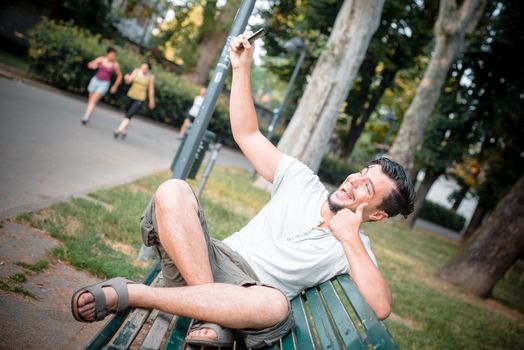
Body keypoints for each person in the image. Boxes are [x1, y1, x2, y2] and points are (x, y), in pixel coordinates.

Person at [71, 32, 416, 348]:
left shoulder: (354, 249)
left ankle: (135, 294)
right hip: (207, 259)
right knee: (174, 189)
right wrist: (242, 67)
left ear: (379, 213)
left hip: (247, 297)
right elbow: (248, 135)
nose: (353, 180)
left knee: (275, 303)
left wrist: (349, 238)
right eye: (360, 172)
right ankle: (209, 314)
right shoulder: (302, 181)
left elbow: (382, 306)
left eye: (366, 186)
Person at [113, 62, 155, 140]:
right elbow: (129, 81)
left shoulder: (150, 77)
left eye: (145, 68)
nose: (143, 69)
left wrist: (151, 100)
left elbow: (151, 90)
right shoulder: (136, 71)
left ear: (148, 70)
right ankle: (125, 131)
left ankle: (119, 130)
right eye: (142, 67)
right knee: (127, 114)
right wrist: (127, 78)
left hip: (140, 98)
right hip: (131, 95)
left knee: (129, 115)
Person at [81, 47, 122, 125]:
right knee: (90, 100)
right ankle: (87, 115)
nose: (113, 56)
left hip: (104, 84)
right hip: (95, 80)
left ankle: (86, 116)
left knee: (93, 100)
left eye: (114, 55)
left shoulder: (115, 65)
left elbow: (120, 76)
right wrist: (93, 66)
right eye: (112, 54)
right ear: (108, 54)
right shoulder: (101, 59)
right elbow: (90, 64)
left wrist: (115, 86)